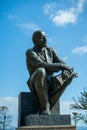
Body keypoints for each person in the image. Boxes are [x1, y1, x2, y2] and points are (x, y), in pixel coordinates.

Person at [26, 30, 77, 115]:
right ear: (35, 40)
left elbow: (61, 62)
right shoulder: (30, 52)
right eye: (42, 38)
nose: (46, 40)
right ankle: (45, 107)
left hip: (49, 80)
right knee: (41, 70)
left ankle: (57, 81)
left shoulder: (50, 50)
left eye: (46, 37)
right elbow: (40, 64)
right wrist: (61, 66)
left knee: (69, 75)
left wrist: (66, 70)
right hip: (36, 81)